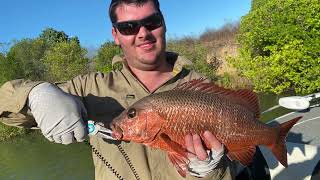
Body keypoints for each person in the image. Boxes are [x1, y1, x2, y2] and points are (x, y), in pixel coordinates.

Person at [0, 0, 235, 179]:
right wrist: (35, 94)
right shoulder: (89, 88)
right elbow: (5, 107)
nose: (143, 33)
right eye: (129, 27)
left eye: (151, 22)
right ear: (115, 35)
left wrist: (210, 171)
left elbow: (236, 159)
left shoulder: (203, 89)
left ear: (163, 23)